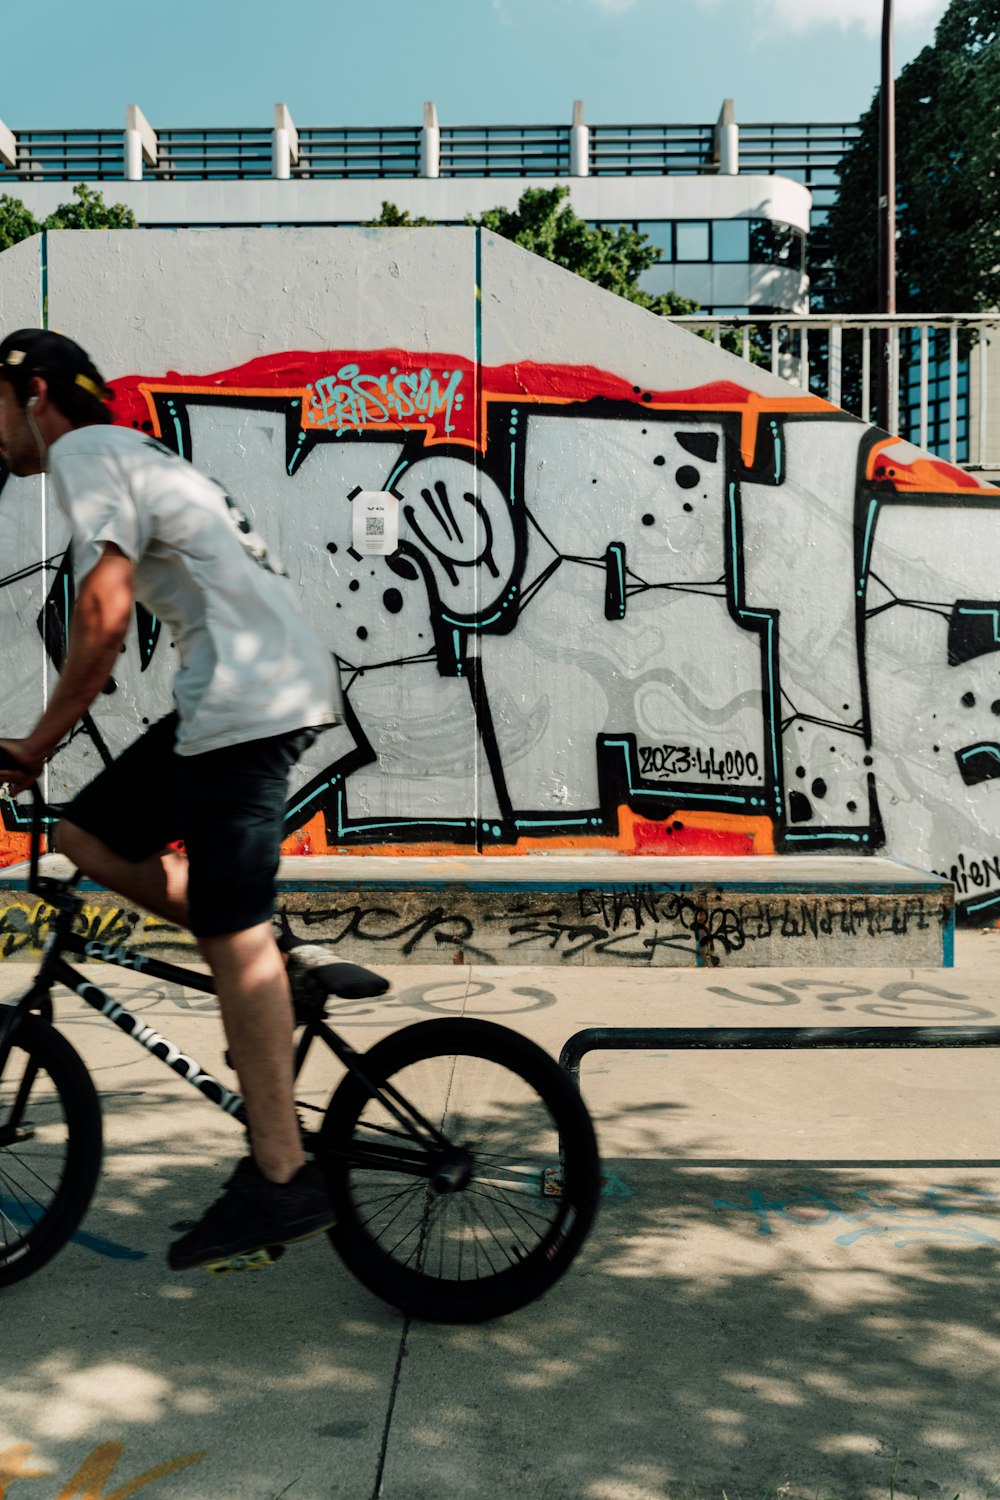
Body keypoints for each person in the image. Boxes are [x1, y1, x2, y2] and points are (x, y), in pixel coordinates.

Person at [0, 328, 344, 1272]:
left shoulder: (84, 452)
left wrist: (37, 740)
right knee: (84, 834)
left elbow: (104, 619)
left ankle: (282, 1176)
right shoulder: (131, 453)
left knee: (229, 931)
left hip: (249, 697)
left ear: (34, 394)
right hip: (233, 691)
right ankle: (277, 965)